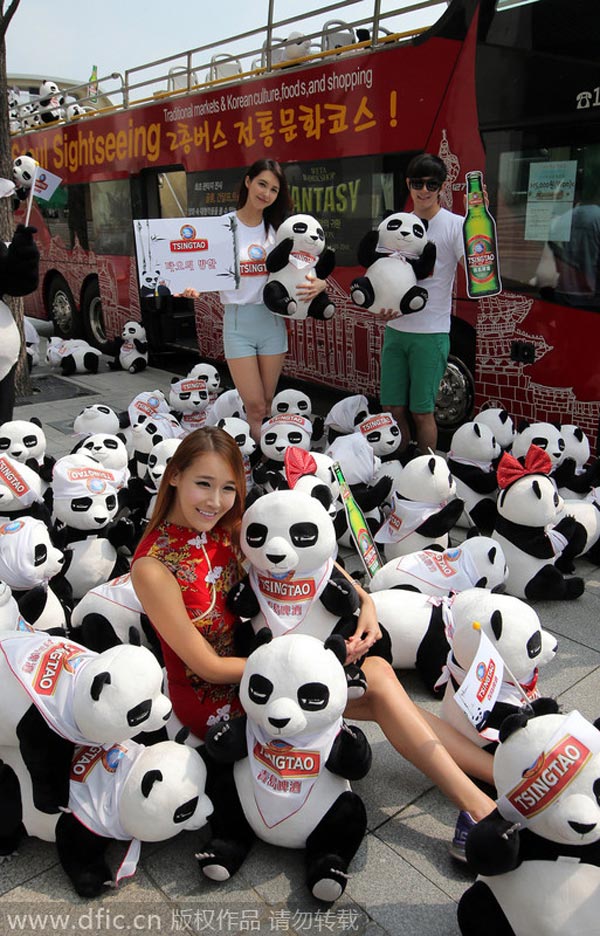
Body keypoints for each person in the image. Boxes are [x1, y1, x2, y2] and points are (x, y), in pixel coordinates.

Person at [132, 426, 496, 861]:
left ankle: (492, 785)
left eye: (228, 488)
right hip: (218, 695)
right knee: (380, 685)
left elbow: (311, 558)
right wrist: (318, 664)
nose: (215, 500)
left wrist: (365, 600)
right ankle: (484, 801)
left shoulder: (227, 526)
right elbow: (206, 666)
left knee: (382, 686)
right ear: (174, 476)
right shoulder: (152, 566)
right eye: (203, 484)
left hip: (277, 668)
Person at [183, 159, 327, 443]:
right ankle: (252, 456)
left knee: (268, 403)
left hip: (272, 323)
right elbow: (201, 267)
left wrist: (321, 282)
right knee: (255, 405)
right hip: (238, 324)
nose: (266, 193)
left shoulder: (279, 230)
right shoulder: (223, 226)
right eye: (262, 184)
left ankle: (258, 456)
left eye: (273, 189)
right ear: (248, 182)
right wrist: (192, 286)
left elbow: (308, 263)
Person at [379, 153, 464, 456]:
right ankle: (399, 462)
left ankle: (425, 471)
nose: (424, 190)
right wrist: (381, 304)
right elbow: (382, 272)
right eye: (418, 183)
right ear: (408, 184)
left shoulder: (456, 225)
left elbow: (479, 269)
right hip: (395, 329)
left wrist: (482, 225)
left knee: (422, 411)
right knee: (392, 408)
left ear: (442, 186)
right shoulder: (396, 224)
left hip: (431, 333)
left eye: (432, 184)